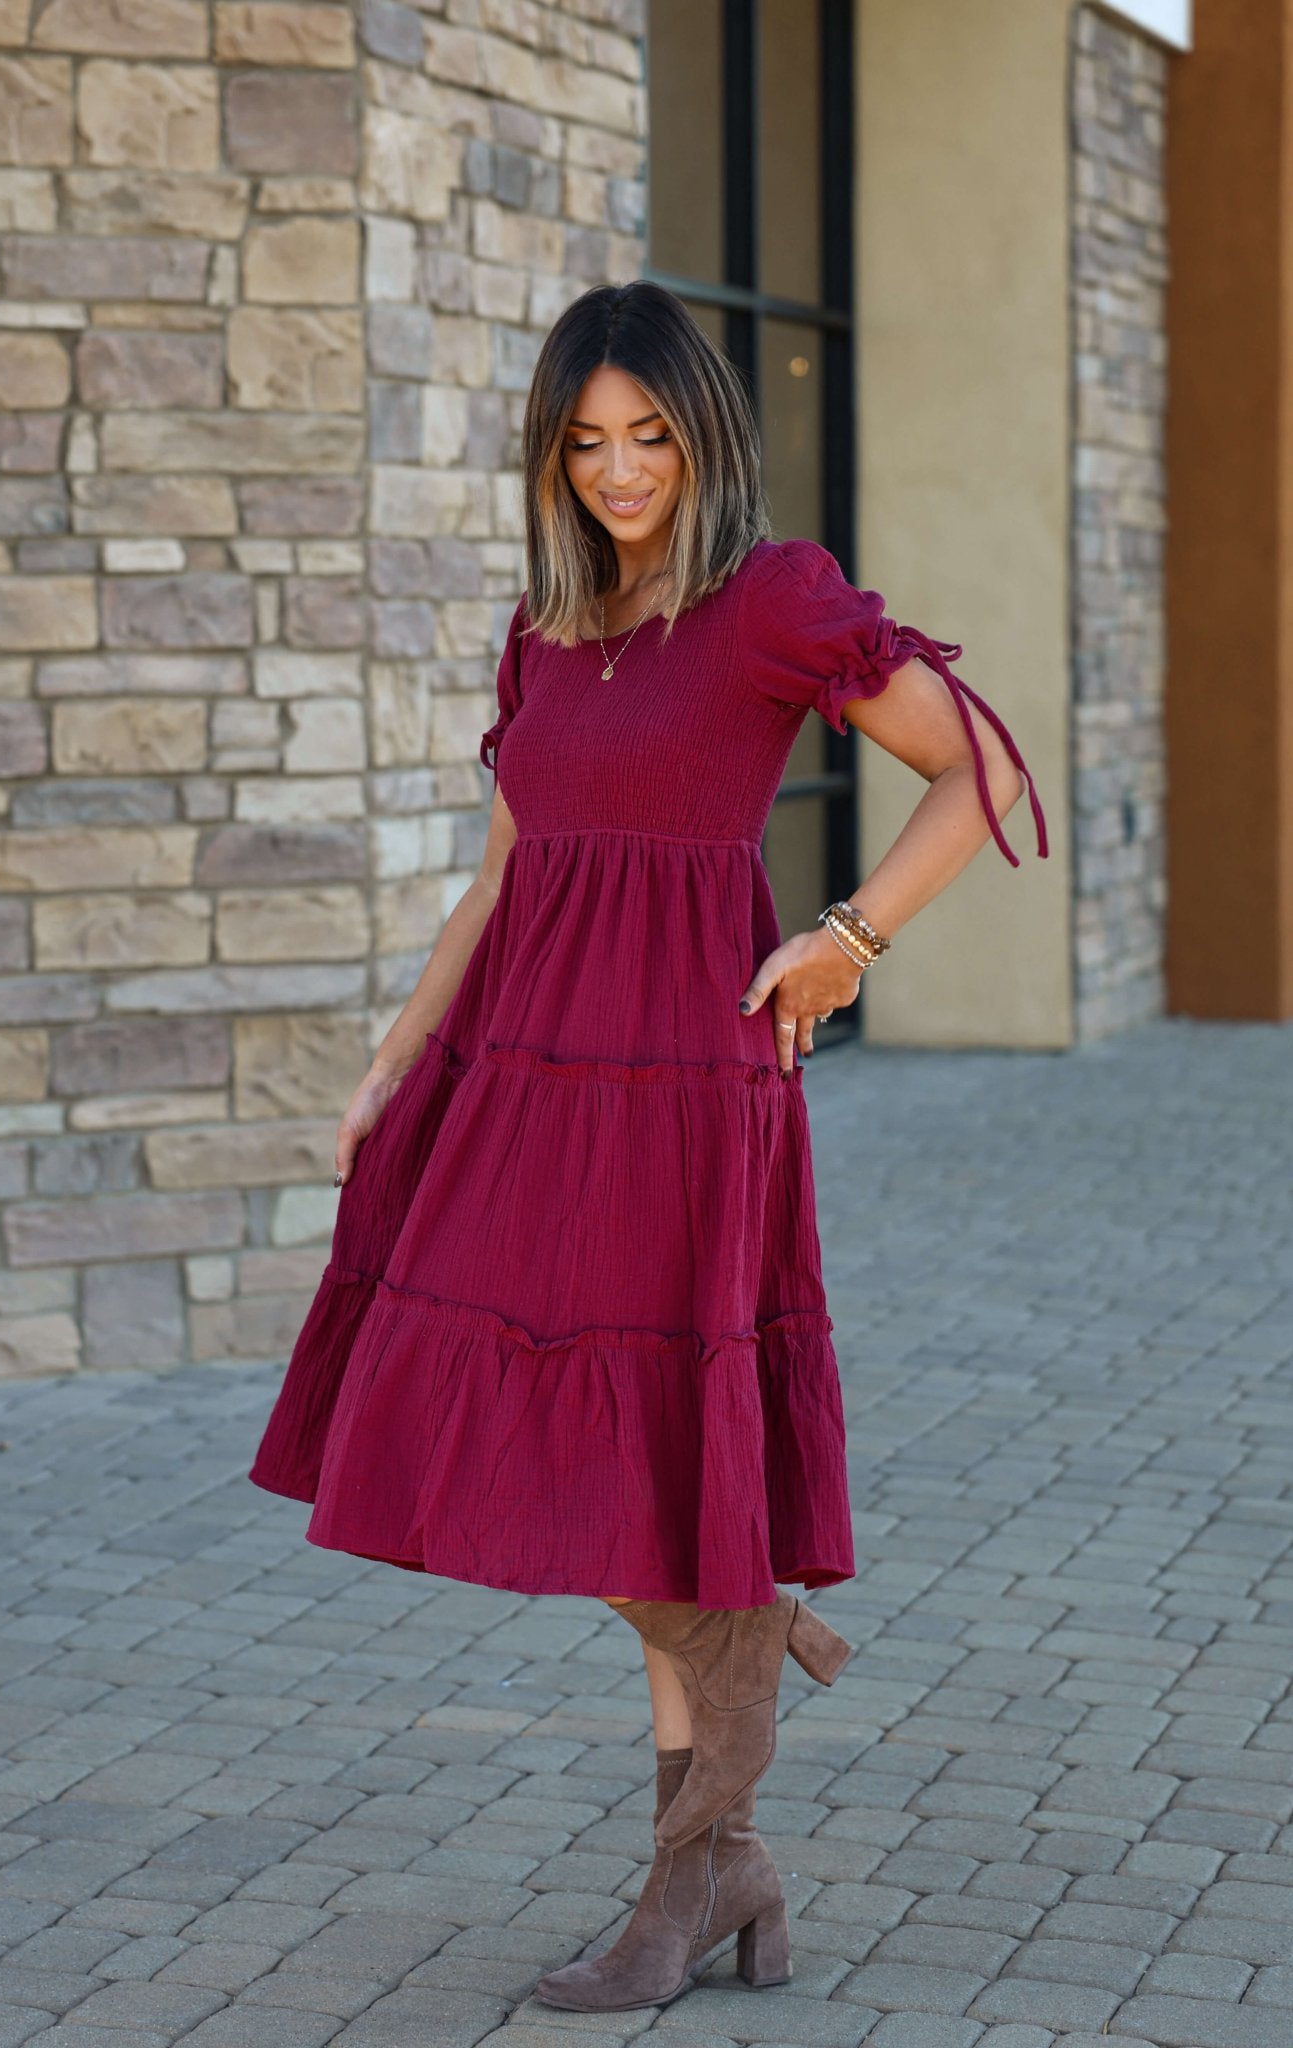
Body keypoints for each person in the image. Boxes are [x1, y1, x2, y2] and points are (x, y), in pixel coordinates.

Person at [248, 277, 1049, 2011]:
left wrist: (847, 939)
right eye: (587, 441)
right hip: (527, 1064)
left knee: (640, 1438)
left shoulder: (769, 603)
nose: (620, 471)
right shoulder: (545, 628)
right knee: (518, 1420)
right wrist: (397, 1057)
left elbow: (977, 770)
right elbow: (504, 871)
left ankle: (690, 1879)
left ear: (705, 438)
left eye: (651, 437)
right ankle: (730, 1788)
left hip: (688, 1082)